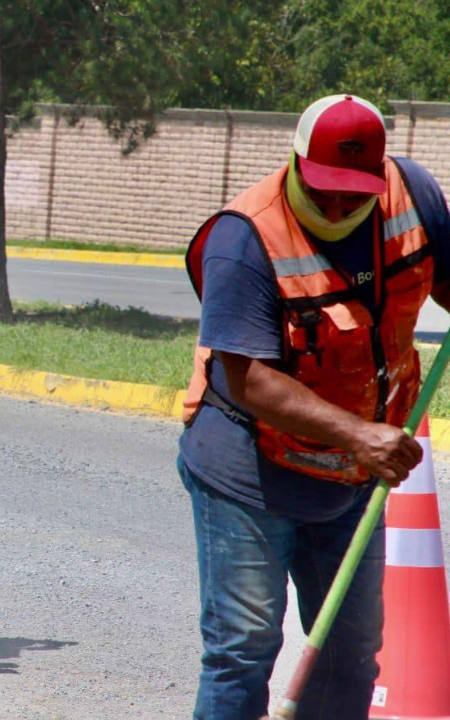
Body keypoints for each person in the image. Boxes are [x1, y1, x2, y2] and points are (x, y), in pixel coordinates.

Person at [179, 93, 450, 719]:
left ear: (378, 179)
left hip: (352, 478)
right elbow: (245, 380)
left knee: (350, 654)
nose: (335, 207)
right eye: (321, 189)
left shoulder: (415, 201)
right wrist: (360, 434)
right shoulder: (245, 235)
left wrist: (360, 443)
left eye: (352, 196)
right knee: (243, 650)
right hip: (249, 471)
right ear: (297, 161)